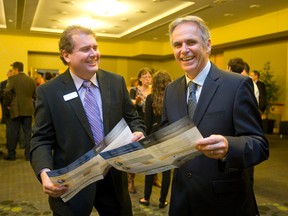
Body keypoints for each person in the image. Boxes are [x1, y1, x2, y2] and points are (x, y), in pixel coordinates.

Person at [30, 25, 145, 216]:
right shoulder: (49, 92)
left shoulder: (115, 82)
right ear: (66, 55)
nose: (94, 54)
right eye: (85, 49)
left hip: (113, 179)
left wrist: (138, 132)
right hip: (72, 183)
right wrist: (44, 172)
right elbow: (41, 139)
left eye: (95, 47)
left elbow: (133, 118)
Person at [162, 15, 269, 215]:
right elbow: (166, 130)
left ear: (208, 45)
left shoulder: (236, 85)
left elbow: (260, 145)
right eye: (177, 44)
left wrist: (230, 147)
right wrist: (145, 141)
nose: (184, 50)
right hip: (182, 199)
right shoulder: (171, 89)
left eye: (191, 42)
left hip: (224, 202)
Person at [139, 70, 172, 208]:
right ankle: (162, 200)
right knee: (167, 171)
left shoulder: (151, 98)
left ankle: (146, 197)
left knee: (150, 168)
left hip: (153, 136)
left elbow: (146, 123)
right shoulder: (173, 98)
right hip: (169, 136)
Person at [3, 62, 36, 161]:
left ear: (16, 70)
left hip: (15, 109)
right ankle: (28, 155)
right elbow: (35, 95)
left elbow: (6, 91)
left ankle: (12, 154)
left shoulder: (13, 79)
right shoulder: (31, 80)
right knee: (28, 133)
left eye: (13, 69)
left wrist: (7, 104)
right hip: (28, 109)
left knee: (13, 132)